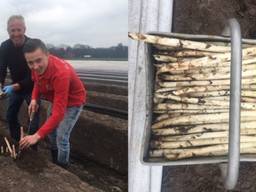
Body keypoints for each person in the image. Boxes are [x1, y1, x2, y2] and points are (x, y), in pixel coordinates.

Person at [19, 38, 86, 168]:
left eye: (39, 61)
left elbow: (59, 113)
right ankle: (55, 156)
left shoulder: (61, 73)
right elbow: (37, 83)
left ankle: (62, 166)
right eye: (30, 63)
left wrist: (37, 136)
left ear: (47, 55)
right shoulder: (35, 66)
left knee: (62, 136)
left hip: (73, 102)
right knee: (51, 132)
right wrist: (34, 98)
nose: (35, 66)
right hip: (56, 99)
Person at [0, 15, 39, 142]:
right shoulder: (5, 46)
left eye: (19, 30)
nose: (16, 34)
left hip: (33, 87)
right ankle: (16, 141)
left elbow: (35, 74)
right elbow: (1, 67)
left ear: (24, 29)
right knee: (10, 116)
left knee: (33, 117)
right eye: (12, 30)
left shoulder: (32, 46)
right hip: (16, 87)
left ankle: (32, 146)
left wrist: (16, 86)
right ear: (8, 31)